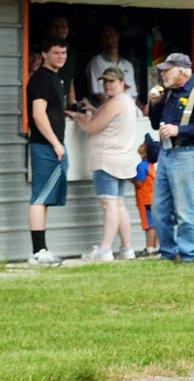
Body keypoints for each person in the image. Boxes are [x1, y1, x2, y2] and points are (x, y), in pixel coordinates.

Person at [147, 52, 194, 264]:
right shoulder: (169, 92)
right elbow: (154, 123)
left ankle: (189, 255)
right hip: (167, 154)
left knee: (185, 210)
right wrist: (154, 104)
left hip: (187, 155)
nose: (163, 74)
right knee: (160, 209)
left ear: (182, 71)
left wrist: (179, 130)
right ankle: (168, 253)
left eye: (168, 70)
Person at [66, 66, 138, 261]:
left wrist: (79, 116)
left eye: (112, 81)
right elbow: (111, 119)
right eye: (105, 81)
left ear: (123, 83)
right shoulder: (127, 101)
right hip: (122, 160)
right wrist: (94, 110)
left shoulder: (114, 103)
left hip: (107, 160)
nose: (107, 85)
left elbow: (92, 127)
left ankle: (105, 250)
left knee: (109, 204)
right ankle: (126, 248)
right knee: (119, 204)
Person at [25, 37, 70, 266]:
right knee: (39, 198)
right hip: (45, 146)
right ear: (44, 54)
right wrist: (55, 143)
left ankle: (42, 248)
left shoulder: (54, 78)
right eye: (55, 53)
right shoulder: (42, 79)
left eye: (63, 52)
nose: (60, 57)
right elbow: (38, 114)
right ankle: (38, 251)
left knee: (44, 198)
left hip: (51, 145)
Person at [85, 24, 138, 107]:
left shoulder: (128, 65)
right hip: (107, 111)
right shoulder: (96, 62)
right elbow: (98, 95)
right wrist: (116, 108)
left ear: (117, 36)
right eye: (105, 37)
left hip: (129, 110)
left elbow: (133, 94)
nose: (109, 40)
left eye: (111, 35)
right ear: (101, 40)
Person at [133, 135, 161, 257]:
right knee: (154, 224)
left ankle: (149, 248)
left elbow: (139, 183)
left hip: (145, 200)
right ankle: (156, 246)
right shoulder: (151, 166)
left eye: (143, 145)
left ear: (144, 153)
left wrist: (129, 178)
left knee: (148, 225)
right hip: (153, 199)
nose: (141, 145)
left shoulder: (141, 166)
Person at [45, 14, 77, 109]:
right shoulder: (42, 52)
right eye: (56, 27)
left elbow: (70, 81)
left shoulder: (71, 54)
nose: (60, 30)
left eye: (63, 27)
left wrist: (73, 105)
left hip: (63, 109)